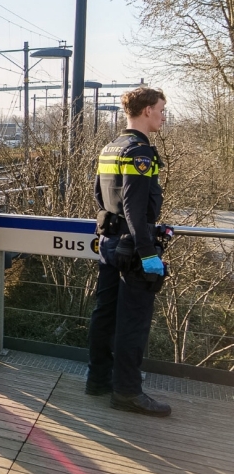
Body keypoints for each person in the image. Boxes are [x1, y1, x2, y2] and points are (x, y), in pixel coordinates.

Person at [87, 87, 171, 417]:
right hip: (133, 246)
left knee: (105, 313)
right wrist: (148, 252)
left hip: (110, 241)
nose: (163, 115)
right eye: (161, 109)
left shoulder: (111, 147)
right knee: (133, 320)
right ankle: (127, 392)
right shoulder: (140, 152)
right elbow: (135, 207)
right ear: (147, 110)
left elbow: (100, 196)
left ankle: (98, 380)